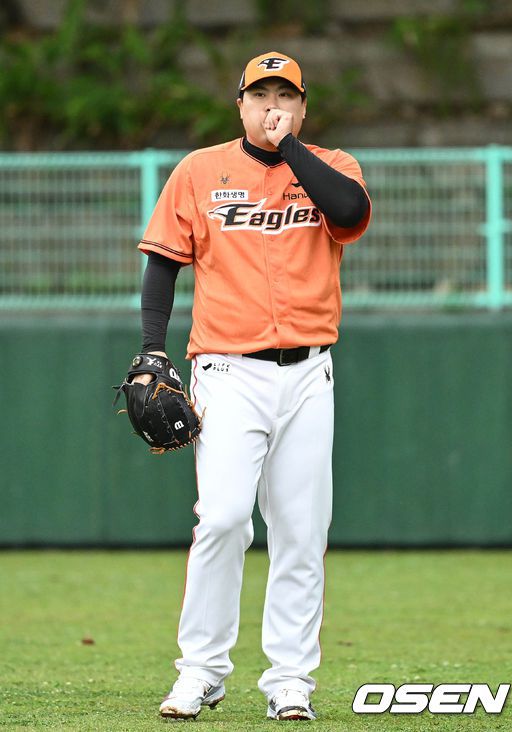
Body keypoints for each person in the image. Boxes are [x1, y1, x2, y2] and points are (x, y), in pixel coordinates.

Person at [132, 51, 371, 721]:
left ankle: (290, 680)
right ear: (239, 105)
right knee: (224, 518)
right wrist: (152, 349)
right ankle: (201, 671)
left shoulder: (333, 166)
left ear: (302, 107)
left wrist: (289, 148)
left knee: (301, 530)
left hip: (309, 373)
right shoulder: (199, 171)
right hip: (228, 371)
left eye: (285, 96)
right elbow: (163, 264)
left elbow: (349, 213)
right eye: (260, 95)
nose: (273, 106)